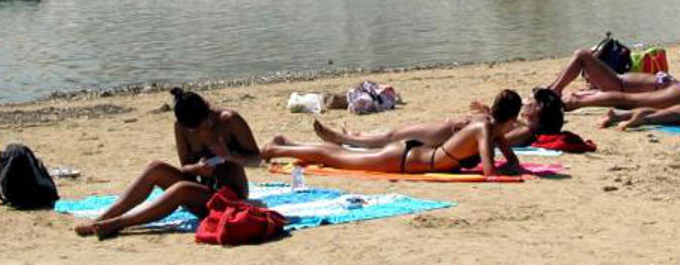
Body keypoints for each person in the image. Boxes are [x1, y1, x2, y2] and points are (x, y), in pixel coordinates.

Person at [74, 88, 260, 240]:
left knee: (181, 189)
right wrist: (197, 169)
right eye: (194, 130)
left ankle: (117, 224)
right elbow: (185, 168)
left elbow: (256, 159)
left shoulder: (229, 120)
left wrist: (231, 156)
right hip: (201, 192)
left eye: (204, 126)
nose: (200, 133)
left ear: (208, 111)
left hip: (230, 197)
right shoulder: (181, 127)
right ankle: (101, 219)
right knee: (156, 168)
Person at [263, 90, 523, 178]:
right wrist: (510, 169)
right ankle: (277, 149)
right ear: (510, 119)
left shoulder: (490, 127)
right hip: (407, 159)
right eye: (516, 121)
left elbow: (512, 162)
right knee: (336, 157)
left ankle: (287, 143)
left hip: (414, 154)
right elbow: (492, 173)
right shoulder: (486, 129)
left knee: (340, 155)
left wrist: (512, 165)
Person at [311, 87, 563, 151]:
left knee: (394, 136)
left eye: (533, 102)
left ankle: (343, 139)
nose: (528, 102)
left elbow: (495, 139)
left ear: (539, 112)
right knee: (396, 135)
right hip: (453, 133)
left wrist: (480, 121)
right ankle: (356, 137)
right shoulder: (525, 128)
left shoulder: (525, 131)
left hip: (451, 136)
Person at [548, 46, 673, 98]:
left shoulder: (669, 87)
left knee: (582, 54)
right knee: (581, 55)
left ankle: (555, 89)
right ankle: (553, 88)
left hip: (618, 85)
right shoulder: (670, 85)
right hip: (617, 83)